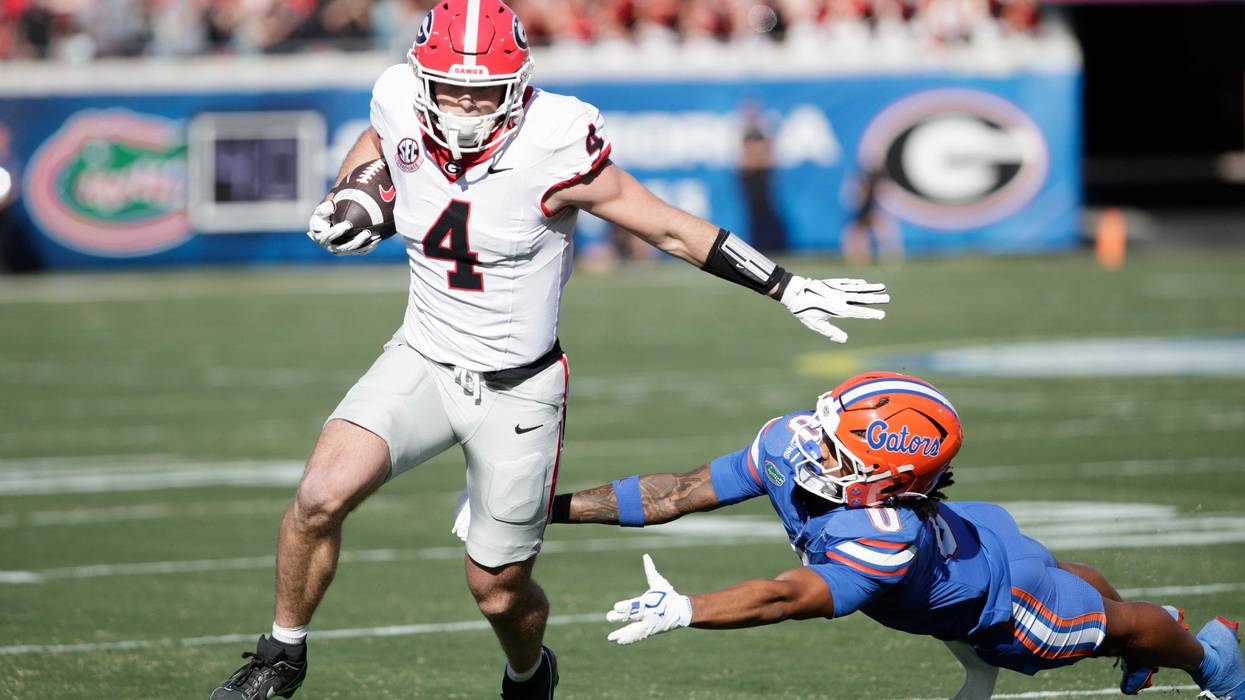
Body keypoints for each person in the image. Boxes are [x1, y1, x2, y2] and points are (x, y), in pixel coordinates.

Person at [208, 1, 891, 698]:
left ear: (518, 85)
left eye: (484, 89)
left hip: (518, 389)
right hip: (420, 356)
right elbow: (376, 139)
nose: (467, 104)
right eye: (449, 86)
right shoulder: (397, 98)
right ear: (421, 79)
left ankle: (529, 672)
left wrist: (784, 286)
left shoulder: (555, 139)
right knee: (319, 496)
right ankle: (280, 655)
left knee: (498, 593)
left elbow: (669, 230)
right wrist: (355, 190)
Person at [542, 371, 1245, 700]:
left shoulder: (882, 533)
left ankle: (1211, 654)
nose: (813, 451)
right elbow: (677, 491)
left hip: (1000, 609)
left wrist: (687, 608)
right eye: (824, 431)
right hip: (976, 540)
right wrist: (543, 506)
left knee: (1117, 623)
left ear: (895, 482)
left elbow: (786, 598)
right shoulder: (792, 440)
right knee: (1068, 572)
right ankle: (1153, 640)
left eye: (839, 453)